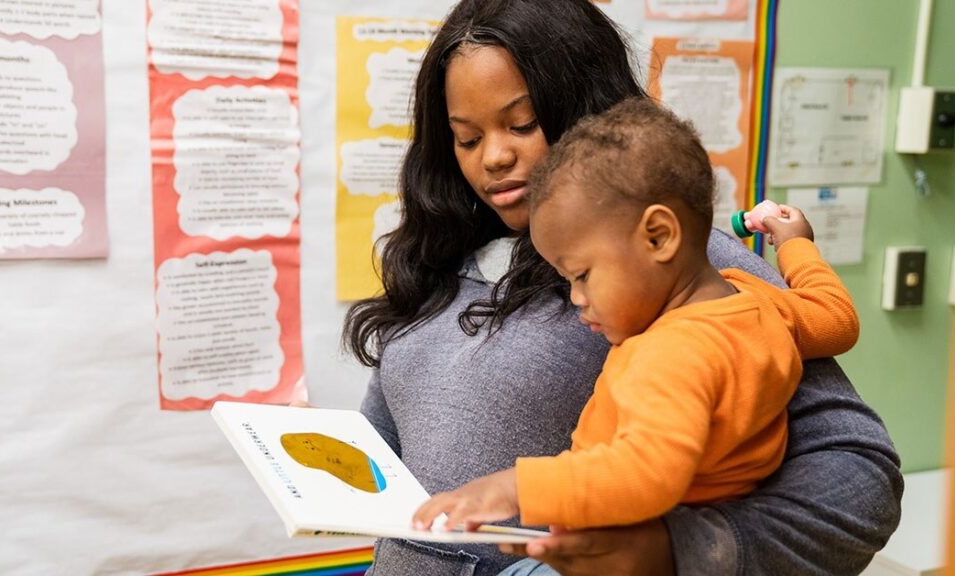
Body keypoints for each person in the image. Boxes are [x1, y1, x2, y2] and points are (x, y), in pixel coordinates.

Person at [342, 0, 902, 574]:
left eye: (523, 124)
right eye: (465, 138)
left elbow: (859, 476)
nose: (494, 156)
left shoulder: (673, 267)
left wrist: (678, 550)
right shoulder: (437, 261)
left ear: (583, 112)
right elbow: (397, 458)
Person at [411, 98, 861, 571]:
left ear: (659, 236)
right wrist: (797, 246)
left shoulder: (673, 353)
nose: (577, 297)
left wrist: (515, 487)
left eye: (581, 274)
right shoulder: (759, 305)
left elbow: (646, 473)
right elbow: (836, 316)